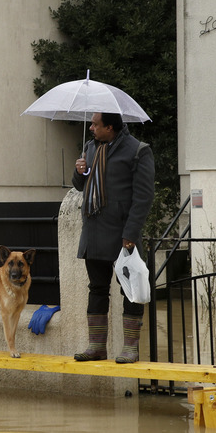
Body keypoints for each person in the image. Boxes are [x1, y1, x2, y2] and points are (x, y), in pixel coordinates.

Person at [71, 112, 155, 363]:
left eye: (95, 125)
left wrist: (130, 234)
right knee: (96, 289)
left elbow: (143, 198)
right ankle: (96, 346)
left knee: (130, 292)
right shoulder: (90, 148)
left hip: (122, 235)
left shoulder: (138, 151)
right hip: (94, 232)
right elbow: (80, 185)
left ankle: (130, 348)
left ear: (110, 127)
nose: (91, 129)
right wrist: (79, 171)